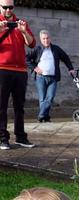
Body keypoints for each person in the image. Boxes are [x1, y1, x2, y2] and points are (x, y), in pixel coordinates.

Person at [0, 0, 36, 150]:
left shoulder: (21, 23)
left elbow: (32, 43)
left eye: (11, 7)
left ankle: (21, 137)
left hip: (20, 71)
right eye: (5, 7)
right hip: (2, 69)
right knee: (1, 106)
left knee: (19, 106)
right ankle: (2, 138)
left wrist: (23, 31)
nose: (8, 10)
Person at [26, 30, 74, 122]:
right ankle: (45, 117)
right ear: (41, 39)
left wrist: (70, 68)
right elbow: (26, 58)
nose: (46, 40)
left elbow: (65, 57)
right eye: (43, 39)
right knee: (42, 99)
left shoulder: (56, 49)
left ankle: (41, 116)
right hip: (40, 78)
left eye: (47, 38)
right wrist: (35, 68)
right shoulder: (37, 49)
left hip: (53, 78)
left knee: (50, 98)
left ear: (50, 38)